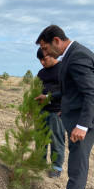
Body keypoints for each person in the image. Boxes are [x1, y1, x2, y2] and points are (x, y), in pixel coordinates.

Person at [35, 25, 94, 189]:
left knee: (78, 163)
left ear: (56, 41)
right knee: (76, 160)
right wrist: (50, 96)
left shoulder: (78, 57)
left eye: (45, 48)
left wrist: (82, 125)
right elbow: (72, 90)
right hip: (80, 117)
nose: (45, 53)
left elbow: (91, 93)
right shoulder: (72, 55)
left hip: (86, 120)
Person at [35, 48, 65, 178]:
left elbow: (69, 91)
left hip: (56, 111)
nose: (42, 62)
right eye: (40, 60)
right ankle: (40, 163)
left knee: (56, 140)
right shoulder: (41, 73)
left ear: (52, 55)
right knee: (40, 139)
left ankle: (56, 167)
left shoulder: (63, 69)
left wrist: (65, 107)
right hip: (41, 111)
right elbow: (36, 89)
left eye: (44, 59)